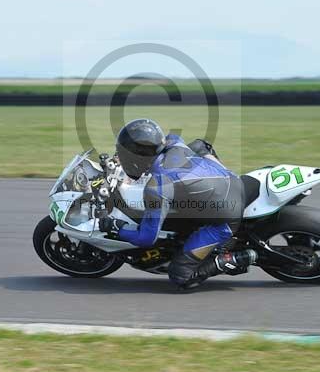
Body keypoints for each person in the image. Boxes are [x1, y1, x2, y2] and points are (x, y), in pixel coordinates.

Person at [98, 119, 257, 290]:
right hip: (230, 180)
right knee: (197, 146)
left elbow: (146, 238)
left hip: (226, 218)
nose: (121, 157)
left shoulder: (157, 187)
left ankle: (232, 260)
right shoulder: (172, 141)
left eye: (124, 154)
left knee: (181, 275)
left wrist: (116, 227)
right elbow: (200, 145)